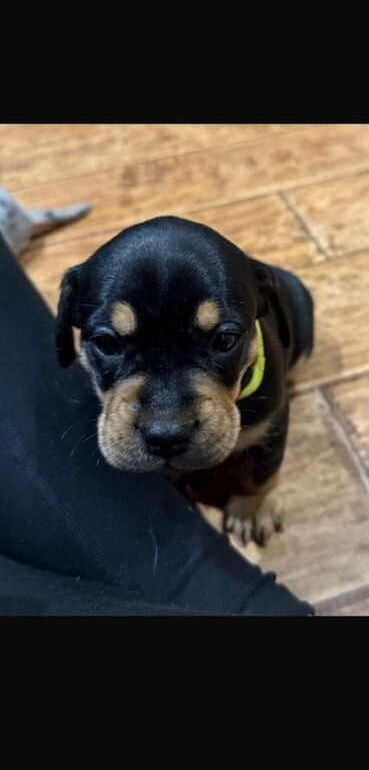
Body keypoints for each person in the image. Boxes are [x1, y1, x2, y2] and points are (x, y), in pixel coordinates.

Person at [0, 234, 314, 616]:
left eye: (223, 340)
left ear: (265, 315)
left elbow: (270, 439)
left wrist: (254, 497)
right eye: (110, 344)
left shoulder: (264, 372)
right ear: (70, 327)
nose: (166, 423)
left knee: (297, 311)